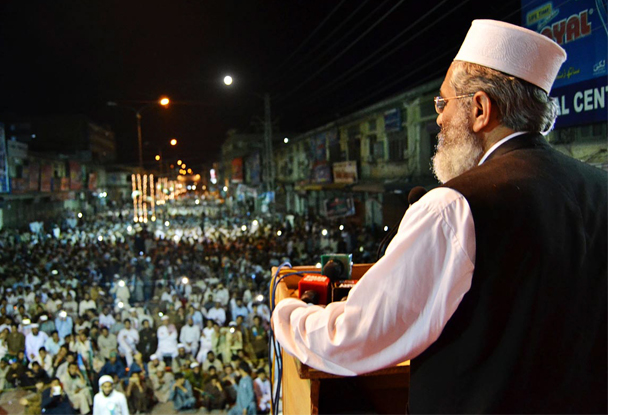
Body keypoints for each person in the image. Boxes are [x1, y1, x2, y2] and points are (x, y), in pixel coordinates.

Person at [271, 19, 607, 414]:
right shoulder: (605, 188)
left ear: (481, 108)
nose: (438, 120)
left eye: (444, 103)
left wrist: (286, 311)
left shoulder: (454, 206)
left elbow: (353, 338)